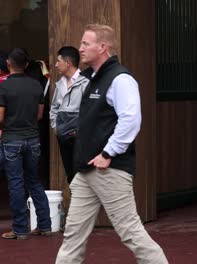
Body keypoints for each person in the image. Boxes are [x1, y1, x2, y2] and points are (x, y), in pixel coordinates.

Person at [55, 24, 168, 264]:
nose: (80, 48)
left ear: (102, 47)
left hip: (109, 169)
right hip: (86, 170)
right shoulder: (94, 78)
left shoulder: (121, 79)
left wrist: (108, 153)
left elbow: (131, 120)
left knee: (131, 232)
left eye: (86, 43)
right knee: (72, 236)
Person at [0, 48, 51, 240]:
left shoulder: (3, 87)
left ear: (8, 64)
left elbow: (0, 117)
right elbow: (39, 115)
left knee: (15, 183)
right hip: (33, 139)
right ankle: (45, 225)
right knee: (34, 181)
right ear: (27, 65)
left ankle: (20, 229)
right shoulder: (36, 85)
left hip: (12, 139)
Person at [50, 46, 89, 184]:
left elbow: (90, 110)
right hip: (63, 136)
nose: (55, 65)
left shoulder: (85, 82)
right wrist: (56, 127)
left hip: (80, 137)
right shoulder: (60, 83)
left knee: (83, 173)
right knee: (70, 173)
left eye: (58, 61)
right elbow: (54, 107)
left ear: (68, 63)